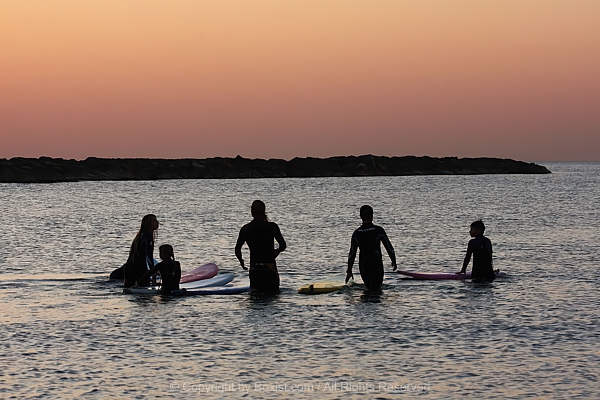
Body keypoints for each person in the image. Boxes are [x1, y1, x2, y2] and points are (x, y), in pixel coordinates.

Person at [235, 200, 287, 293]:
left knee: (255, 299)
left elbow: (237, 249)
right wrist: (277, 251)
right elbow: (283, 245)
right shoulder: (272, 227)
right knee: (272, 298)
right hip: (270, 270)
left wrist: (242, 262)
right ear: (264, 211)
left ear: (251, 212)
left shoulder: (246, 229)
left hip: (255, 270)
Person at [346, 205, 397, 290]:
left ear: (360, 216)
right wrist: (393, 260)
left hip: (364, 266)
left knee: (368, 289)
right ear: (372, 216)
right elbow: (389, 247)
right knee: (376, 290)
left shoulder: (357, 233)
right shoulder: (378, 231)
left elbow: (352, 254)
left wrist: (349, 271)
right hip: (376, 265)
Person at [123, 214, 159, 288]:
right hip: (138, 268)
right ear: (149, 223)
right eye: (154, 221)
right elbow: (149, 256)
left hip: (130, 266)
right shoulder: (148, 236)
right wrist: (153, 273)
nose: (157, 222)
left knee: (129, 288)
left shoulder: (140, 236)